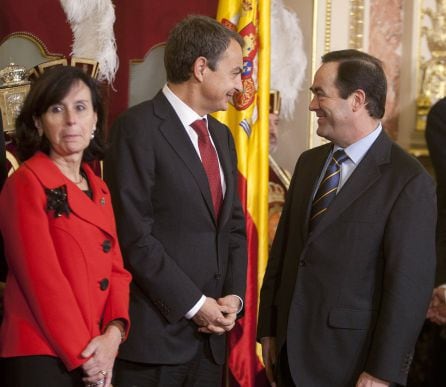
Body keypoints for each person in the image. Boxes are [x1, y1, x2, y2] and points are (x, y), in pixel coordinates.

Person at [257, 49, 436, 387]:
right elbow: (283, 254)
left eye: (319, 94)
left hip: (351, 364)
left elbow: (408, 289)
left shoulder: (408, 181)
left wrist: (382, 372)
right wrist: (269, 329)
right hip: (288, 355)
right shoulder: (309, 164)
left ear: (356, 100)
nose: (311, 105)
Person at [104, 15, 247, 387]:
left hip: (212, 342)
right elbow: (134, 235)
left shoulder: (222, 136)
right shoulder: (137, 128)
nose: (240, 85)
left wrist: (232, 296)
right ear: (201, 68)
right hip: (156, 343)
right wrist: (197, 306)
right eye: (234, 73)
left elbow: (233, 227)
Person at [0, 65, 131, 387]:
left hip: (97, 349)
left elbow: (117, 271)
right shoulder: (25, 183)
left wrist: (113, 335)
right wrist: (90, 360)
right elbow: (43, 283)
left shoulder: (99, 188)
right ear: (38, 122)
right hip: (44, 355)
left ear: (96, 119)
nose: (71, 120)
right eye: (57, 109)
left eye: (81, 107)